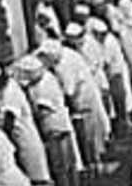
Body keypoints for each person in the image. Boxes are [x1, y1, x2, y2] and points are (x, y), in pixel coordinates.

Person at [38, 38, 110, 175]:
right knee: (91, 134)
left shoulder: (64, 65)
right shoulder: (66, 53)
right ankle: (94, 164)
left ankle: (95, 166)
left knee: (90, 136)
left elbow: (69, 91)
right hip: (84, 95)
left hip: (83, 99)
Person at [90, 18, 132, 137]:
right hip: (109, 74)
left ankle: (123, 128)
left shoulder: (110, 42)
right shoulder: (96, 42)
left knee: (119, 101)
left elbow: (107, 62)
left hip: (115, 74)